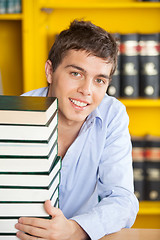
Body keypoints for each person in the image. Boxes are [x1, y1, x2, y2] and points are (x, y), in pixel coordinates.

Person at [15, 19, 139, 240]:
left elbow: (123, 200)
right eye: (76, 74)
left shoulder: (112, 115)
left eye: (99, 80)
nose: (86, 91)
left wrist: (74, 229)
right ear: (50, 71)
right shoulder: (15, 116)